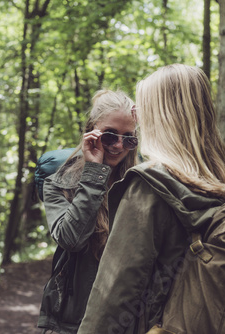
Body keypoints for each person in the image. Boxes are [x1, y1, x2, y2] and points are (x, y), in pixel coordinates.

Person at [77, 64, 225, 334]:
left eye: (141, 110)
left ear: (159, 115)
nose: (138, 120)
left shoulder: (149, 185)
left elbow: (114, 294)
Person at [37, 89, 139, 334]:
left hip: (129, 319)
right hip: (73, 321)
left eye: (128, 138)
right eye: (110, 135)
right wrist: (94, 174)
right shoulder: (58, 184)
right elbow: (71, 239)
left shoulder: (142, 184)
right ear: (92, 130)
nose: (117, 145)